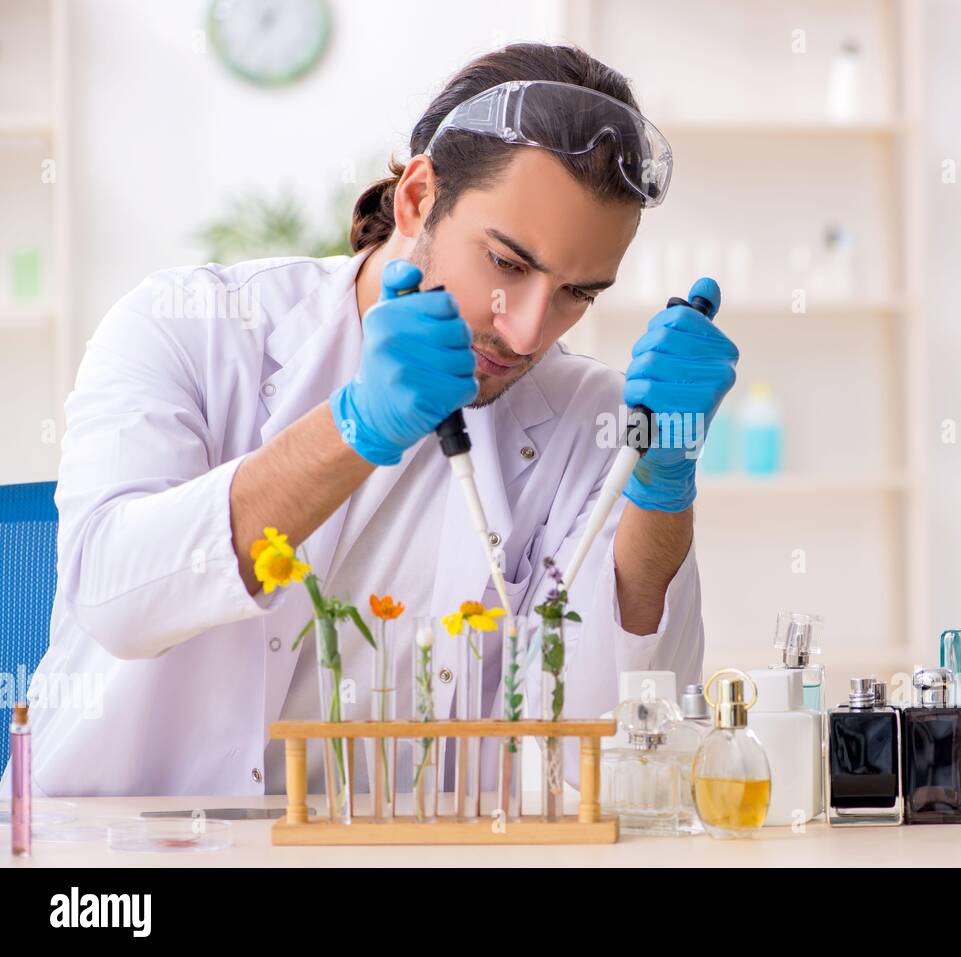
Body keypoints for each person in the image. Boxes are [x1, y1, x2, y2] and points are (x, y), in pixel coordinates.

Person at [9, 43, 738, 797]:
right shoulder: (190, 326)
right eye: (508, 265)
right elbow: (115, 597)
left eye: (577, 294)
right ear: (418, 199)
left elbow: (609, 745)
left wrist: (662, 486)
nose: (525, 331)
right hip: (114, 844)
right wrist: (355, 427)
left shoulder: (593, 418)